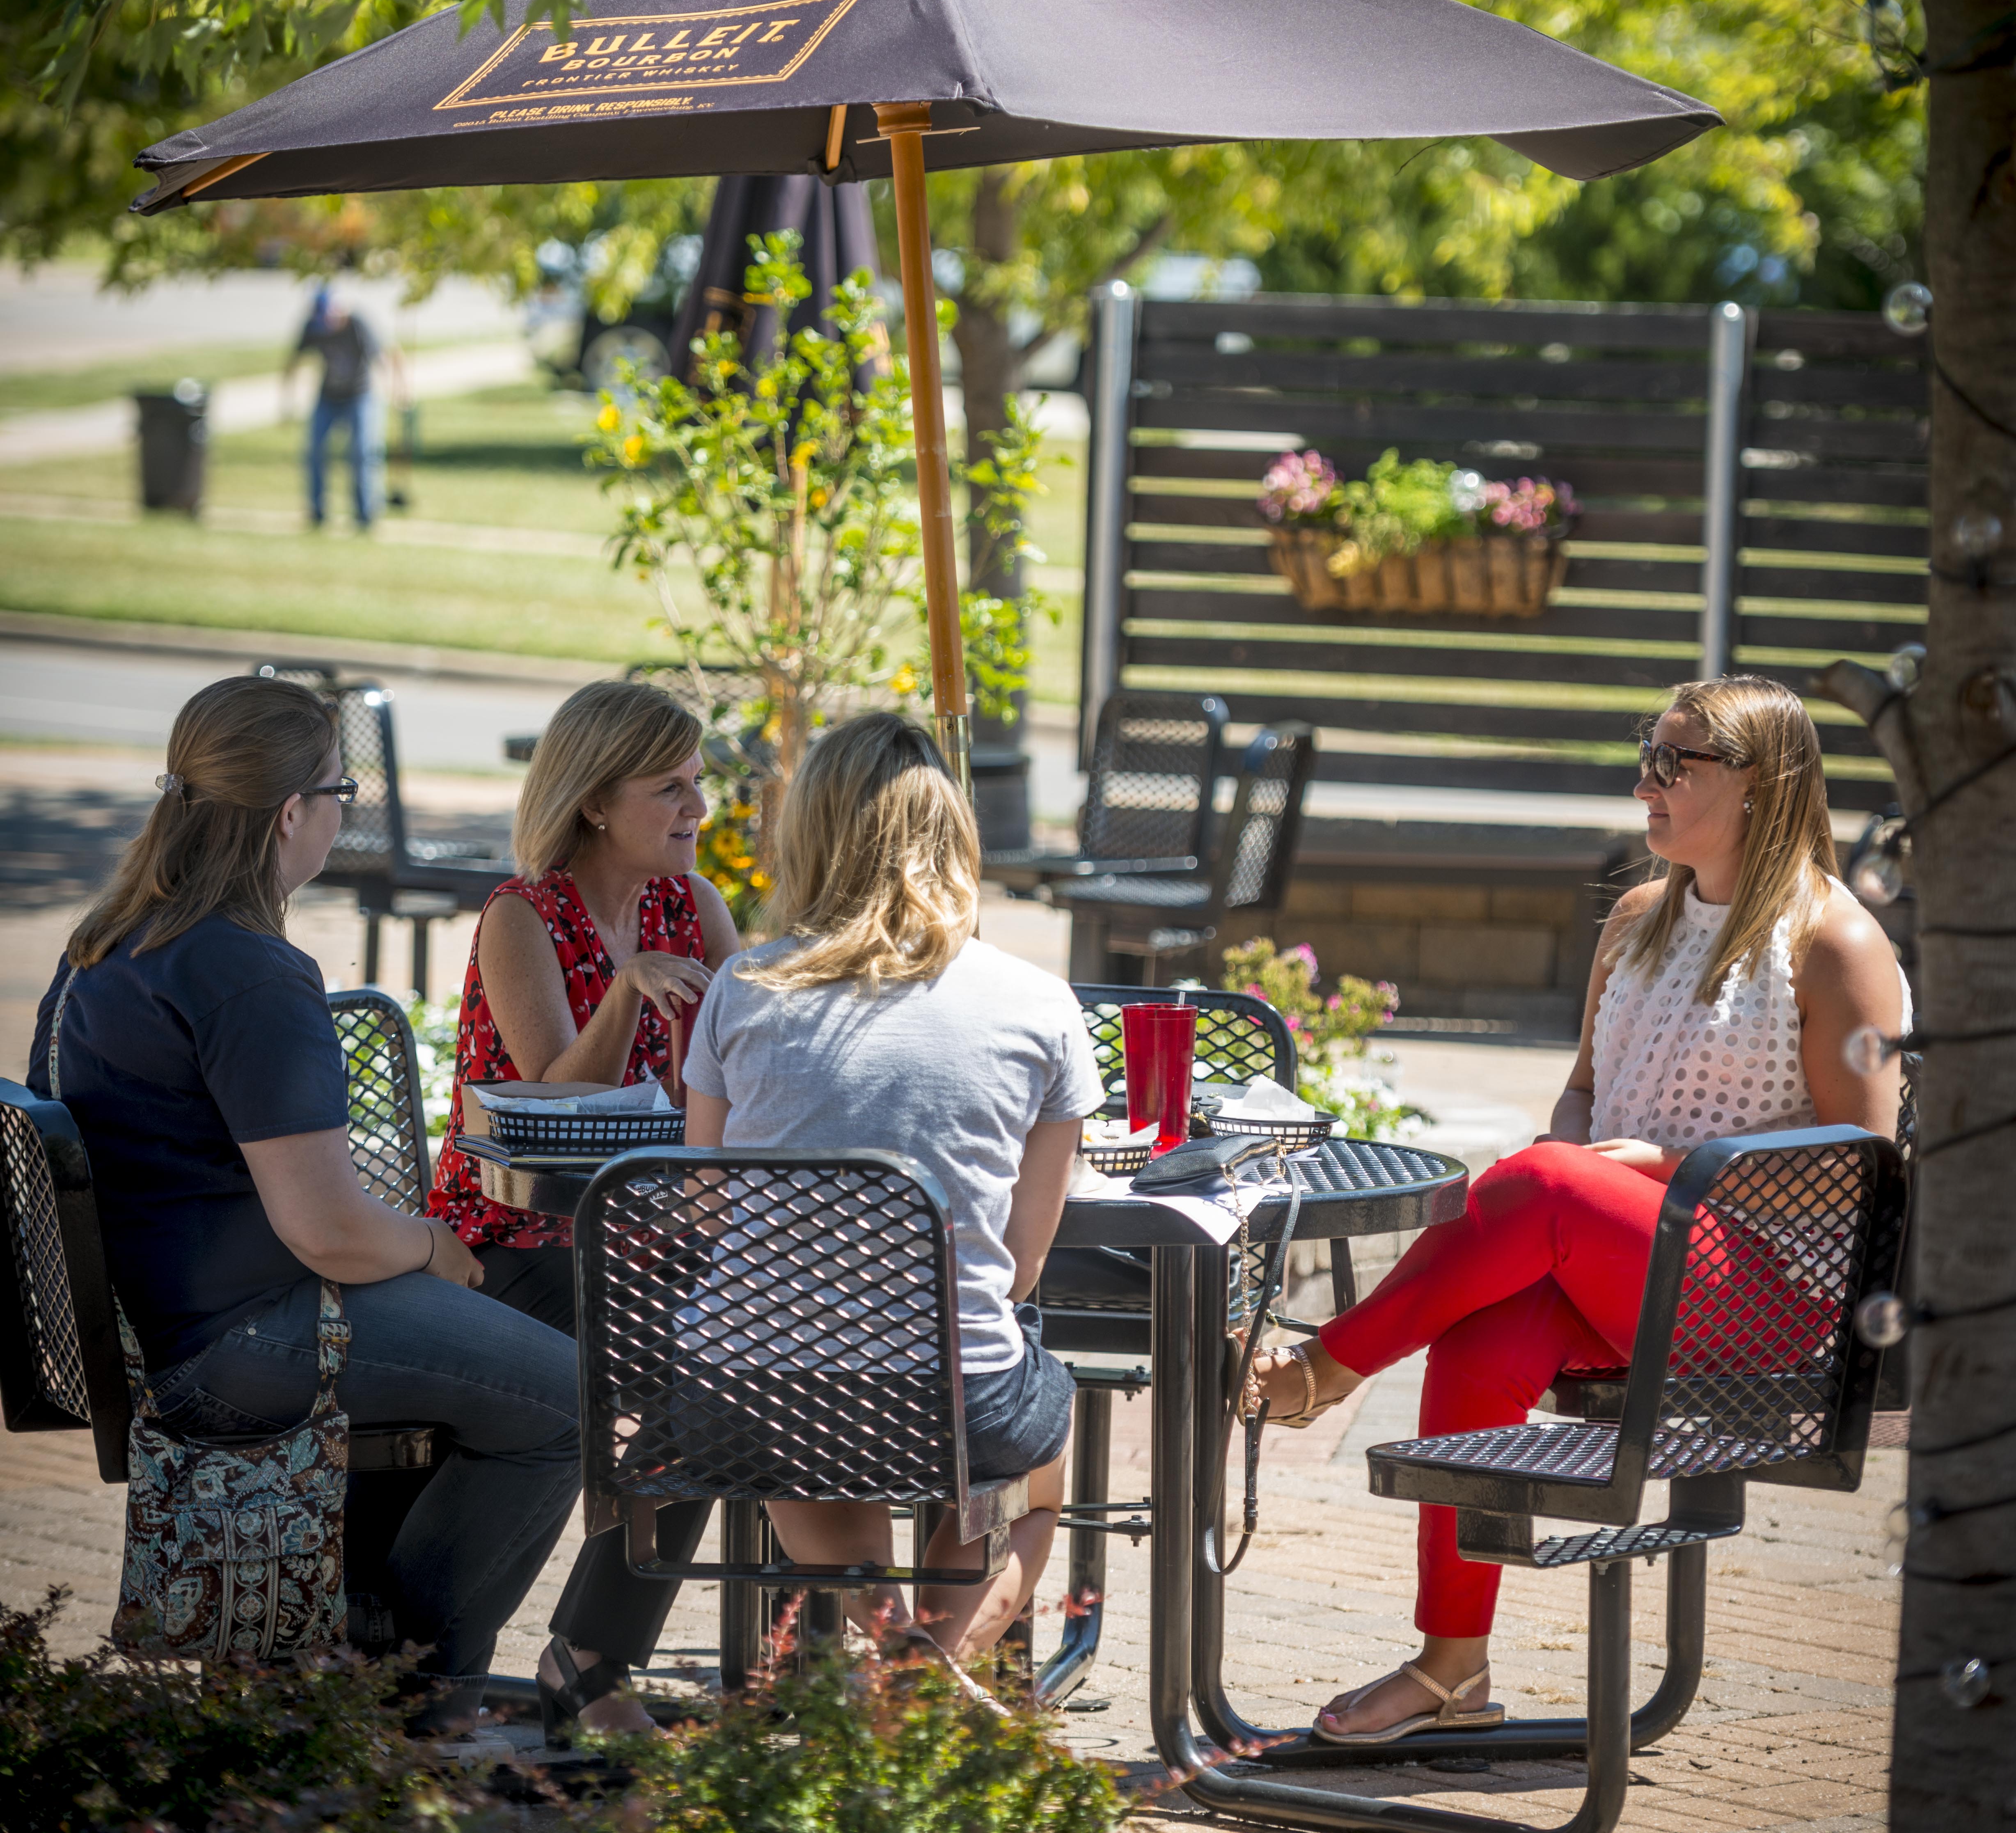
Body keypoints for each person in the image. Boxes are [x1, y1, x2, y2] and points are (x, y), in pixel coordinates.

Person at [1248, 673, 1909, 1746]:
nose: (1642, 780)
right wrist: (1573, 1163)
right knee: (1480, 1333)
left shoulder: (1834, 944)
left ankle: (1324, 1370)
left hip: (1776, 1304)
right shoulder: (1641, 918)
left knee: (1547, 1186)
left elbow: (1861, 1167)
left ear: (1759, 784)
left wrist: (1655, 1167)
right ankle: (1453, 1671)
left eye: (1672, 763)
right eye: (1646, 752)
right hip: (1633, 1267)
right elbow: (1584, 1092)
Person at [27, 676, 584, 1714]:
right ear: (293, 812)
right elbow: (328, 1228)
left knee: (517, 1318)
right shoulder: (247, 972)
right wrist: (430, 1247)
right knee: (567, 1400)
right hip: (239, 1345)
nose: (343, 815)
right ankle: (405, 1690)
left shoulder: (109, 945)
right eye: (341, 793)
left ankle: (338, 1636)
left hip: (164, 1329)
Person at [681, 710, 1101, 1665]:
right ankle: (930, 1660)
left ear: (810, 836)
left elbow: (708, 1212)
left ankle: (878, 1637)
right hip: (949, 1395)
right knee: (1031, 1441)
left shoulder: (743, 988)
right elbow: (1020, 1266)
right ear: (954, 837)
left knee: (811, 1404)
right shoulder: (1039, 1003)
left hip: (750, 1394)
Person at [430, 679, 740, 1733]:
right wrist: (623, 992)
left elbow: (749, 1062)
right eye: (671, 787)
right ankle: (585, 1670)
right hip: (510, 1239)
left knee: (745, 1352)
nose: (697, 807)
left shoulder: (689, 905)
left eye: (698, 782)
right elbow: (547, 1101)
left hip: (645, 1239)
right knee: (706, 1361)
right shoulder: (523, 912)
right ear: (596, 801)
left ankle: (596, 1652)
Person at [285, 273, 404, 529]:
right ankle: (317, 513)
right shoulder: (313, 327)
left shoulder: (358, 325)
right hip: (328, 397)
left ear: (338, 309)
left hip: (360, 396)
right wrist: (286, 403)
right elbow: (292, 362)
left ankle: (365, 515)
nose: (326, 324)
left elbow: (388, 357)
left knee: (363, 453)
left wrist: (397, 392)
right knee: (315, 452)